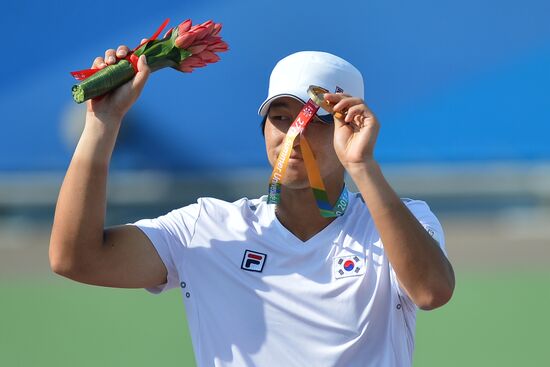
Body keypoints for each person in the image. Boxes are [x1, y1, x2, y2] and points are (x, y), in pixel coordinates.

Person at [50, 48, 455, 366]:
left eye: (314, 120)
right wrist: (102, 124)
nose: (292, 134)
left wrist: (362, 166)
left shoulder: (397, 223)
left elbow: (431, 292)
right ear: (263, 129)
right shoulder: (206, 229)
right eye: (280, 117)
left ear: (350, 127)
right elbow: (76, 258)